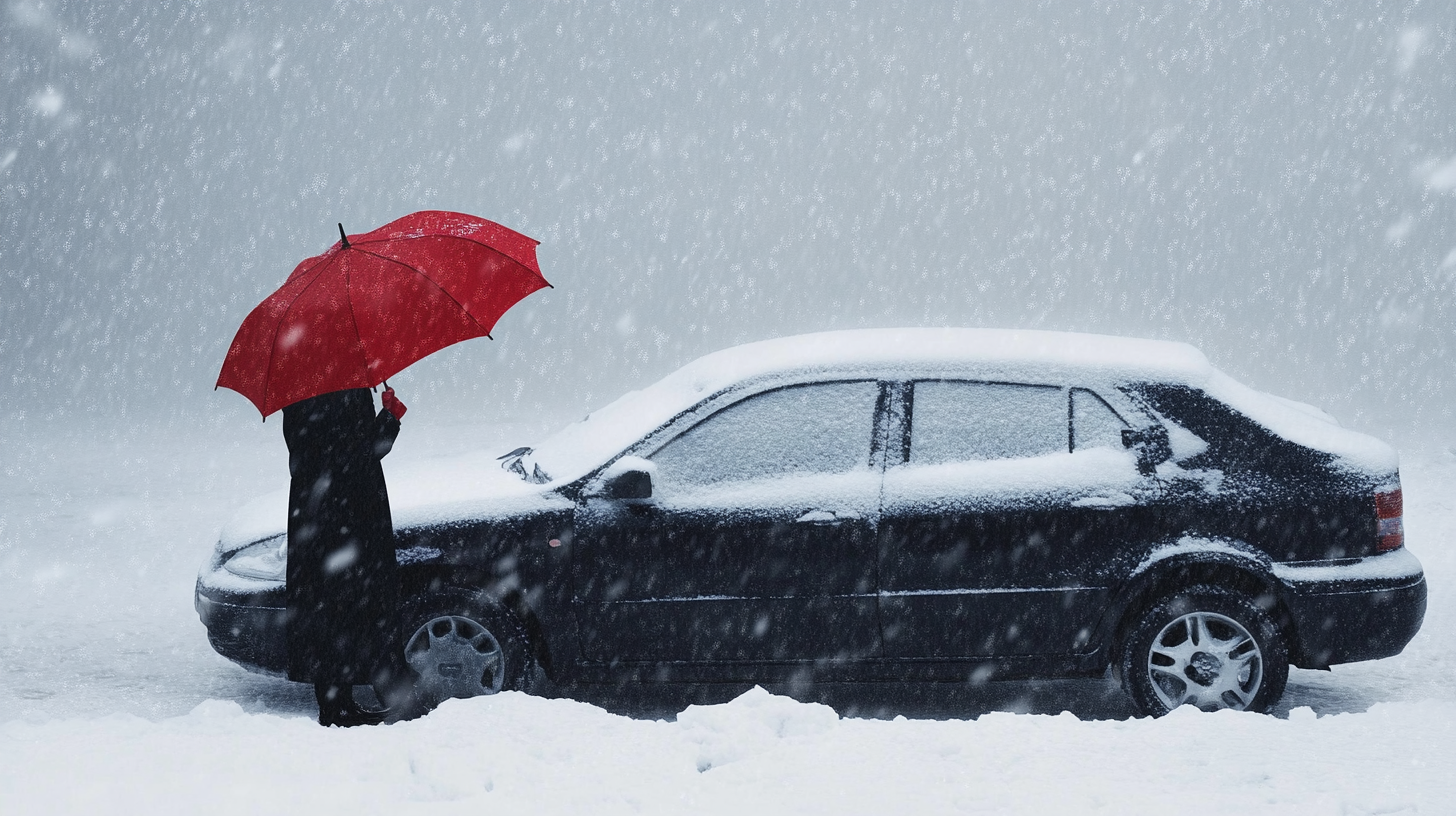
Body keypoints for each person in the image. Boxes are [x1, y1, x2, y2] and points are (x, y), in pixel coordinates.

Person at [282, 385, 410, 727]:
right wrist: (389, 419)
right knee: (349, 605)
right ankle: (339, 708)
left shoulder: (297, 394)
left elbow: (310, 453)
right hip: (350, 515)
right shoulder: (344, 389)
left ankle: (336, 702)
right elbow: (360, 453)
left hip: (316, 513)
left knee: (326, 607)